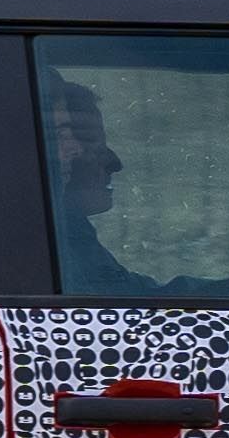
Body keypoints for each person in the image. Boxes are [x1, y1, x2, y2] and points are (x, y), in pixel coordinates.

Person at [47, 75, 165, 299]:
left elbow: (129, 294)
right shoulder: (41, 239)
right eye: (94, 143)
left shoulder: (66, 231)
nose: (114, 163)